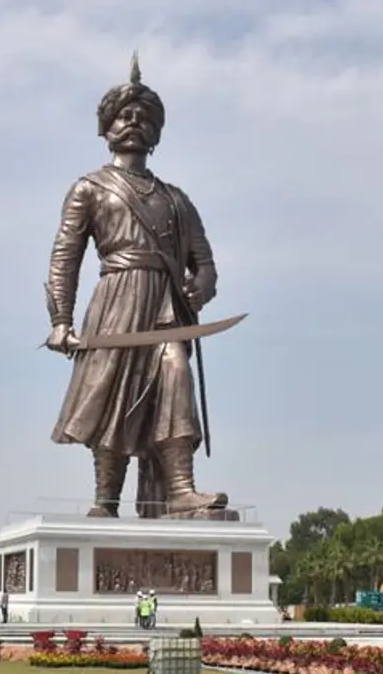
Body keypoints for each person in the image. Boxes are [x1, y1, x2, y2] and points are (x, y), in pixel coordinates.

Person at [45, 53, 229, 519]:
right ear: (107, 127)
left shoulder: (175, 199)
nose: (133, 124)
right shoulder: (89, 188)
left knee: (174, 375)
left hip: (166, 310)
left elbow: (205, 264)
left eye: (144, 117)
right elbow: (65, 257)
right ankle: (106, 500)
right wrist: (61, 321)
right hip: (115, 304)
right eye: (124, 116)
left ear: (157, 132)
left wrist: (199, 288)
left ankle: (181, 489)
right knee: (112, 396)